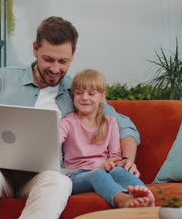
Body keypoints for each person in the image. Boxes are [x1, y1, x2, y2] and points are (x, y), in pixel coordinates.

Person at [0, 16, 141, 219]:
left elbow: (125, 126)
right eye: (48, 59)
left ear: (73, 55)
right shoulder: (1, 80)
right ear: (35, 49)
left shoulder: (79, 90)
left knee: (59, 183)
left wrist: (127, 158)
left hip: (44, 176)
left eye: (63, 61)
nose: (55, 68)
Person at [60, 69, 154, 208]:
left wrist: (111, 163)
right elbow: (53, 141)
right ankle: (122, 199)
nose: (84, 97)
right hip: (75, 176)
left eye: (91, 93)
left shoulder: (110, 122)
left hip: (104, 171)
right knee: (97, 174)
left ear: (102, 97)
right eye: (79, 93)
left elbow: (115, 156)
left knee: (118, 171)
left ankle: (146, 196)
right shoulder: (67, 122)